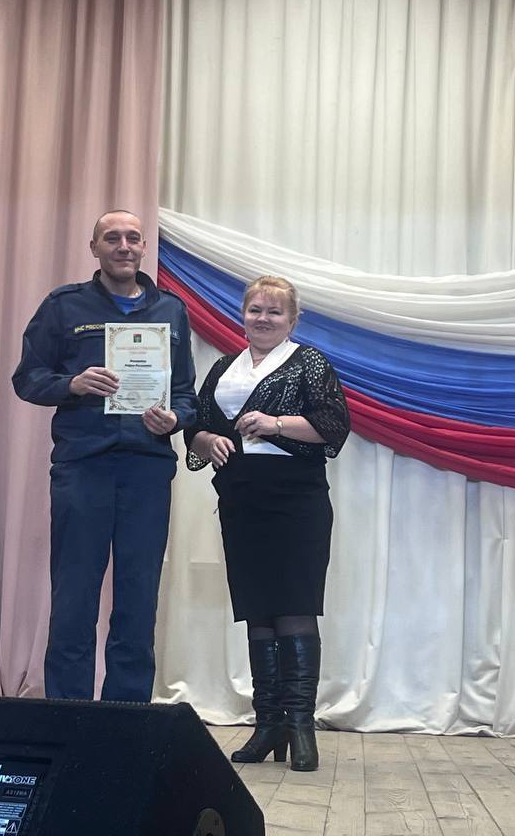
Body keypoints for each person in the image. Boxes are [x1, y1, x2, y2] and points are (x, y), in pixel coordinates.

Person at [12, 210, 197, 702]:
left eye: (133, 238)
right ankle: (68, 716)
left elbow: (185, 393)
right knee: (74, 595)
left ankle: (126, 717)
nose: (123, 246)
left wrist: (175, 419)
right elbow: (27, 379)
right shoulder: (63, 306)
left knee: (138, 595)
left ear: (144, 248)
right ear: (94, 247)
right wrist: (71, 384)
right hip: (83, 467)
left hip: (147, 468)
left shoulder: (171, 311)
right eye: (112, 238)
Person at [185, 275, 350, 773]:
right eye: (255, 309)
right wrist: (207, 441)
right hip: (242, 500)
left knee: (295, 606)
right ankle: (268, 724)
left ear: (292, 320)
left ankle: (300, 727)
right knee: (257, 611)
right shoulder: (223, 367)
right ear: (243, 314)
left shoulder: (309, 362)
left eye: (274, 312)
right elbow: (195, 427)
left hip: (296, 499)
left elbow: (334, 426)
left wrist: (275, 424)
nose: (263, 318)